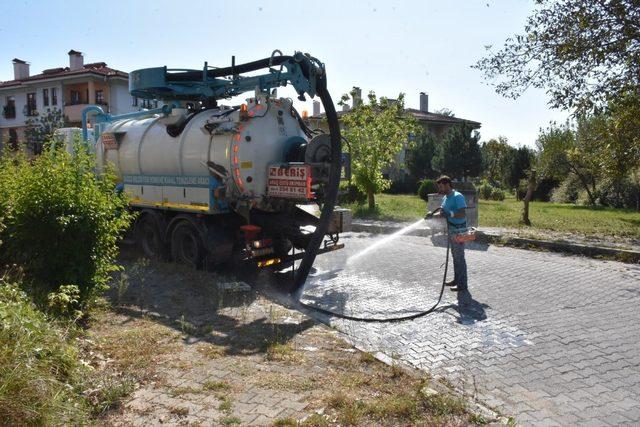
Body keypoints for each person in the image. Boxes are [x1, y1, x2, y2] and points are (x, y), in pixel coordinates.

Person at [425, 175, 468, 292]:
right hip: (452, 229)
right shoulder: (446, 198)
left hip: (459, 230)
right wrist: (432, 216)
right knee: (455, 256)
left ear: (447, 184)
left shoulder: (457, 196)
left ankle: (462, 284)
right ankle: (456, 280)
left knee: (459, 257)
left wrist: (451, 214)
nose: (439, 189)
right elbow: (443, 213)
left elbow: (462, 213)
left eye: (441, 186)